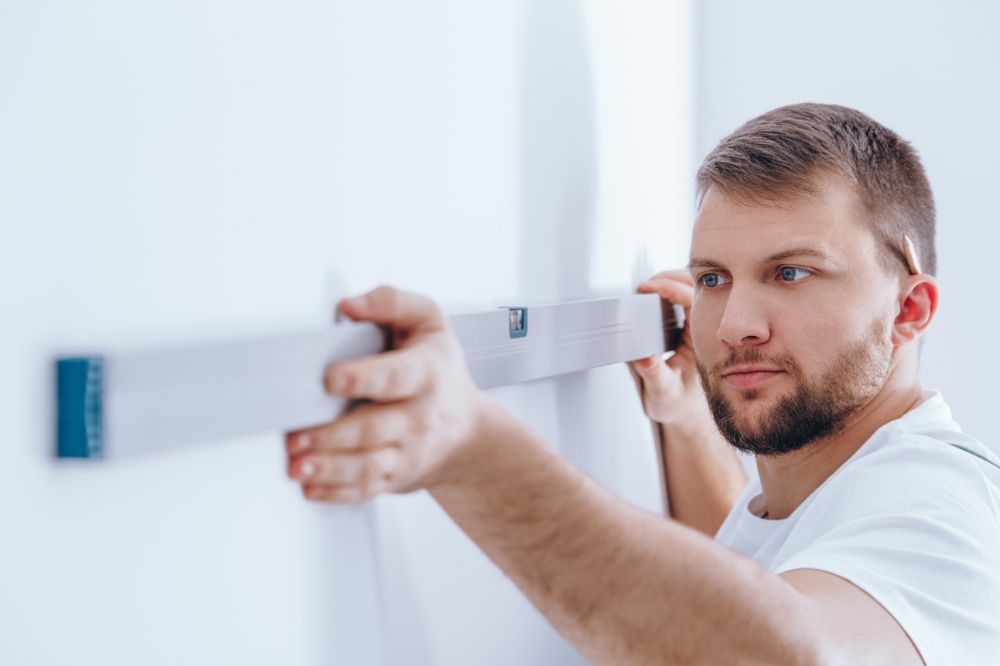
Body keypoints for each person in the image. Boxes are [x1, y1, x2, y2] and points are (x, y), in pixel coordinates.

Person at [284, 103, 1000, 665]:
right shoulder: (823, 485)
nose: (734, 326)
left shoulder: (941, 504)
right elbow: (755, 582)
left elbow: (779, 653)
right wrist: (689, 423)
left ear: (909, 310)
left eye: (790, 273)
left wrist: (471, 449)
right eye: (713, 279)